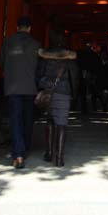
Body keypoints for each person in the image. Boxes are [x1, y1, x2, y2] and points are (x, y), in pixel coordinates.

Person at [0, 16, 41, 169]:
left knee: (15, 119)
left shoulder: (7, 42)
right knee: (28, 119)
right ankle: (25, 148)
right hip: (30, 88)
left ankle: (18, 154)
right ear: (29, 28)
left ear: (17, 27)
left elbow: (1, 62)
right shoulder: (36, 44)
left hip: (12, 87)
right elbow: (40, 68)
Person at [36, 29, 79, 167]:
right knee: (61, 123)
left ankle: (49, 152)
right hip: (64, 92)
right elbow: (75, 77)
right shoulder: (69, 59)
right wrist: (74, 94)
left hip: (48, 92)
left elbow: (38, 75)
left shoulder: (44, 57)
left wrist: (42, 87)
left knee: (49, 120)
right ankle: (59, 158)